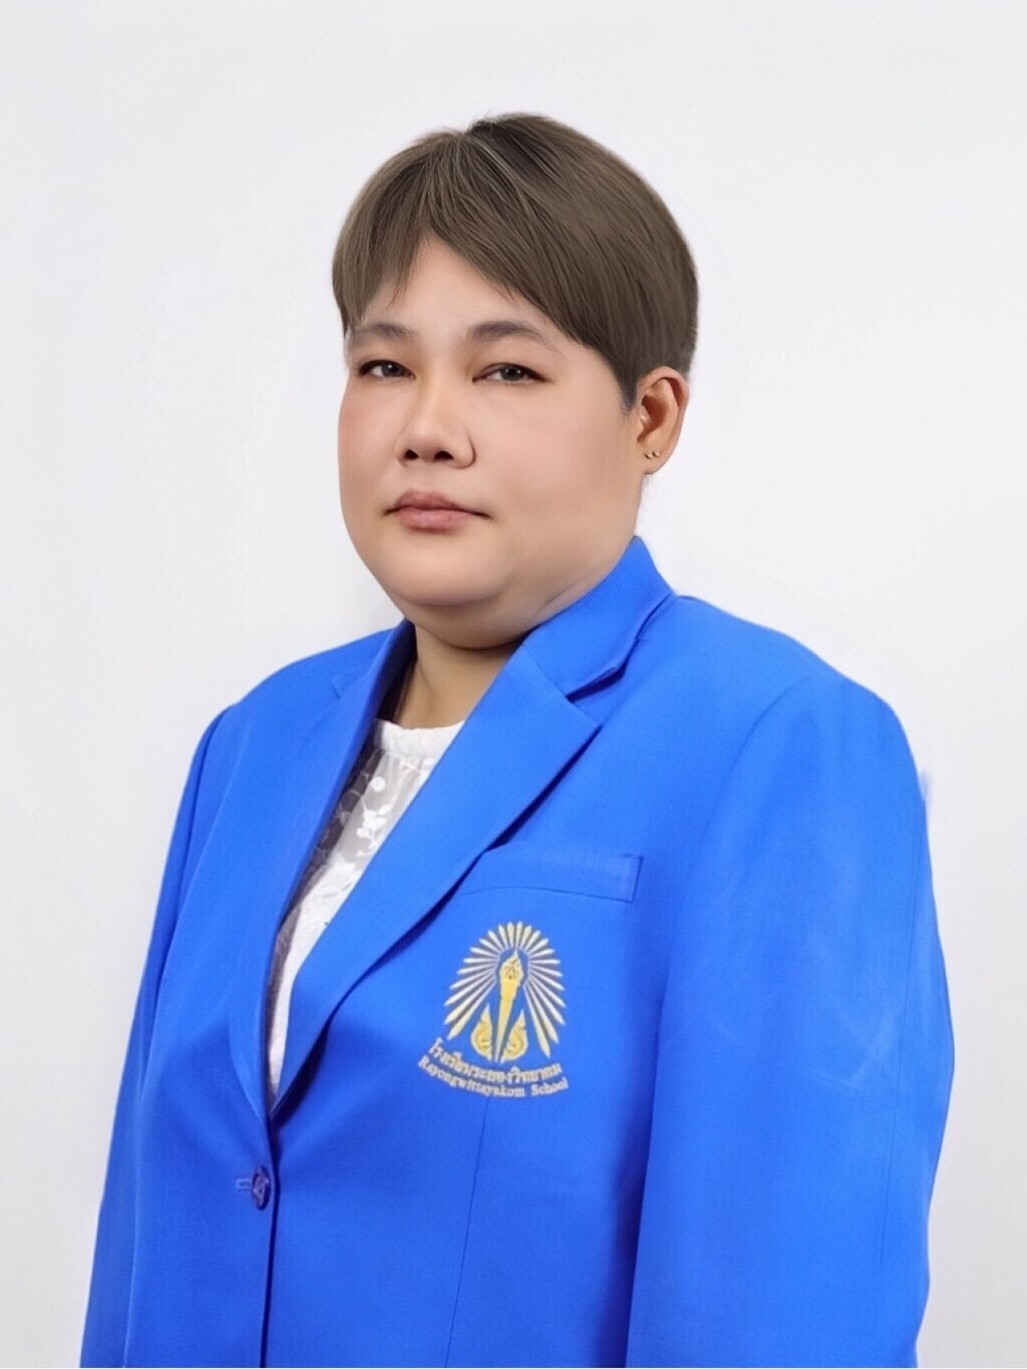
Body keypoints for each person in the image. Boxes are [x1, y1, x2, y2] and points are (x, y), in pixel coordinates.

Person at [80, 112, 953, 1369]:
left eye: (506, 372)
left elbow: (780, 1308)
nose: (427, 427)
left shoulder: (779, 746)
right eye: (384, 365)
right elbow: (148, 1236)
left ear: (651, 418)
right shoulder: (253, 743)